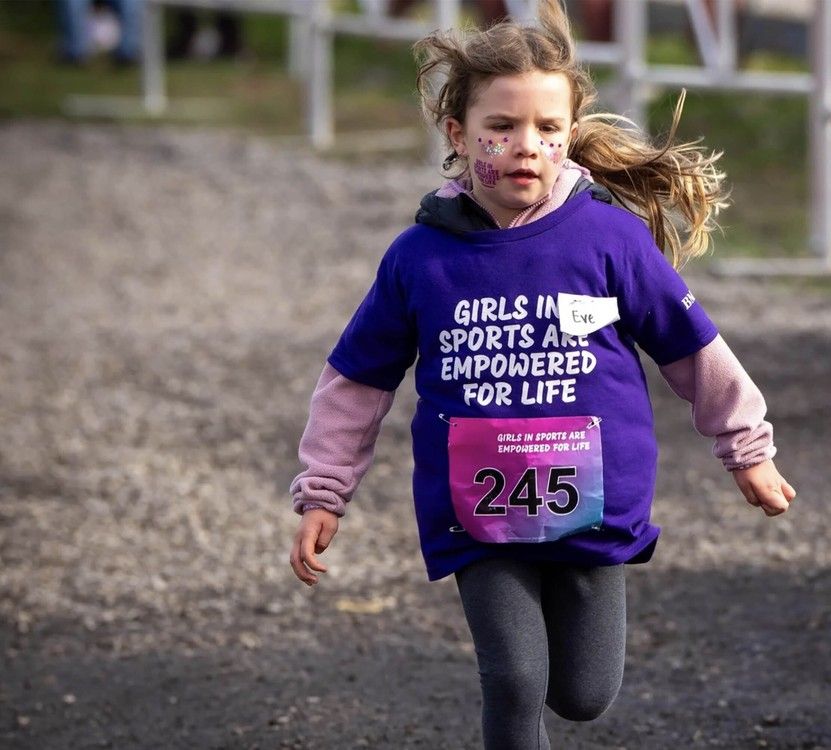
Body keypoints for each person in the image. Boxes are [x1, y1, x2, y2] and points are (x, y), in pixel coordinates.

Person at [288, 1, 797, 747]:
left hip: (592, 508)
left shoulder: (610, 240)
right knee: (516, 680)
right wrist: (324, 491)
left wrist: (746, 447)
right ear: (459, 134)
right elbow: (356, 379)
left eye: (547, 129)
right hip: (476, 512)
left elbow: (692, 348)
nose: (525, 147)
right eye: (501, 128)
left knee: (584, 696)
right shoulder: (419, 259)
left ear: (568, 135)